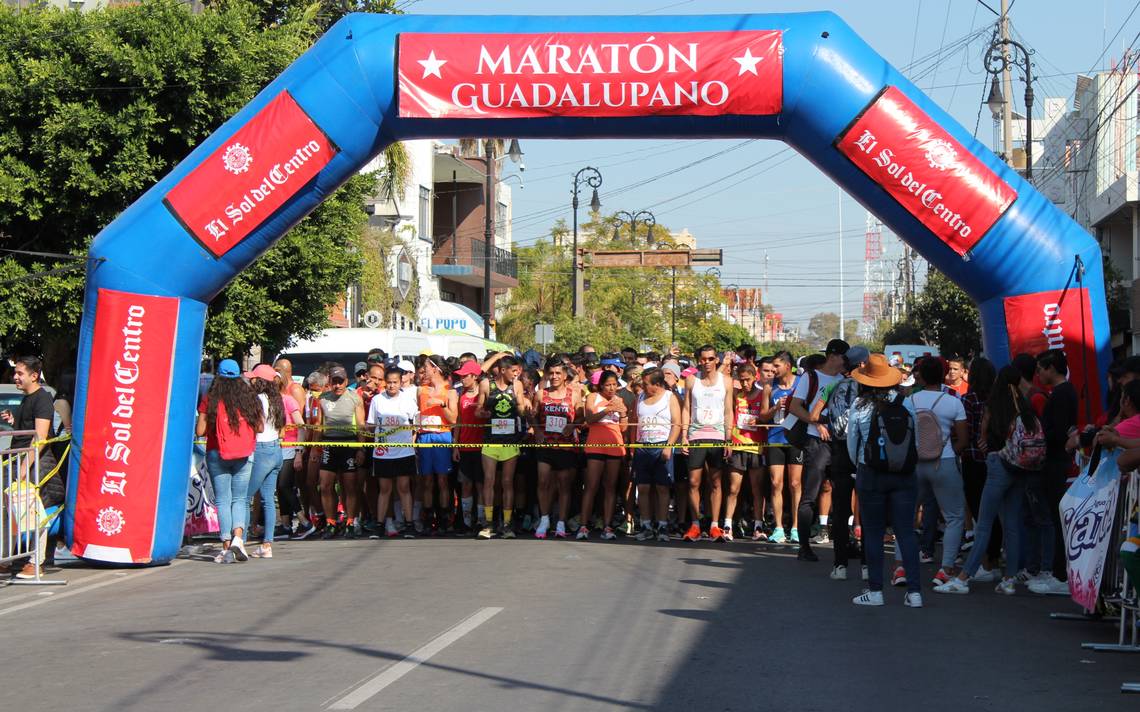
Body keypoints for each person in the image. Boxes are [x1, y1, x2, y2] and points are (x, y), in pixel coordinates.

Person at [935, 365, 1035, 596]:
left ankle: (964, 577)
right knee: (1011, 524)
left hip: (997, 465)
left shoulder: (993, 405)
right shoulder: (1025, 406)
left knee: (984, 524)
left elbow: (981, 436)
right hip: (1020, 467)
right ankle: (1009, 578)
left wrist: (985, 442)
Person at [846, 354, 922, 607]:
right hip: (904, 475)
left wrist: (860, 465)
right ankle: (914, 593)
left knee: (874, 533)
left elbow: (852, 444)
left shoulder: (859, 405)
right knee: (906, 533)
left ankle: (876, 592)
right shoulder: (906, 402)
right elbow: (916, 441)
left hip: (872, 474)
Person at [904, 356, 968, 587]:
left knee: (907, 515)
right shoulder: (953, 401)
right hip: (945, 462)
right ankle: (945, 569)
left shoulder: (910, 401)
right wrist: (947, 452)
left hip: (914, 465)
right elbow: (962, 439)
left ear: (920, 376)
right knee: (954, 516)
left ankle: (901, 567)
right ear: (943, 375)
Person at [785, 339, 848, 561]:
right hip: (815, 442)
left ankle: (844, 544)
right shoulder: (810, 377)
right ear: (833, 356)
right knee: (810, 494)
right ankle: (804, 547)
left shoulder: (843, 380)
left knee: (841, 495)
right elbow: (795, 406)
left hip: (838, 442)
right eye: (844, 357)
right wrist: (815, 423)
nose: (846, 362)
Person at [2, 356, 63, 579]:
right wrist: (13, 421)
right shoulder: (26, 399)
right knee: (9, 511)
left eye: (20, 373)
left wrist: (24, 468)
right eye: (15, 373)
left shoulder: (42, 399)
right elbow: (27, 429)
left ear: (34, 376)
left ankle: (35, 562)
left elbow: (40, 437)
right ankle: (6, 559)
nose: (15, 377)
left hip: (34, 463)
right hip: (17, 460)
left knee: (32, 511)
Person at [195, 359, 261, 564]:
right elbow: (259, 427)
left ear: (219, 375)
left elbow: (200, 431)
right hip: (244, 453)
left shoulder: (210, 399)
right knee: (240, 499)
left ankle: (226, 546)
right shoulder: (250, 398)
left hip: (217, 452)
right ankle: (238, 539)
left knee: (223, 500)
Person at [1025, 349, 1077, 595]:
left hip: (1056, 462)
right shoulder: (1061, 393)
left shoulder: (1062, 394)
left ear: (1052, 368)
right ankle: (1057, 572)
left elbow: (1058, 430)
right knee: (1053, 518)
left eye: (1041, 369)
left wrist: (1041, 439)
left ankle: (1059, 574)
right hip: (1055, 461)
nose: (1038, 374)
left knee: (1056, 519)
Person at [821, 346, 869, 580]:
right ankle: (867, 565)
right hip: (865, 455)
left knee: (840, 510)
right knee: (868, 508)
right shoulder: (872, 388)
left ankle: (840, 565)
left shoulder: (833, 386)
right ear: (861, 365)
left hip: (840, 452)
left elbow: (825, 418)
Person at [681, 345, 733, 542]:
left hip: (718, 436)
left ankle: (714, 525)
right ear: (698, 360)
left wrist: (729, 438)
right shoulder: (691, 380)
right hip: (696, 435)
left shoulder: (726, 381)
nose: (707, 362)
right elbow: (686, 408)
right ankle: (695, 524)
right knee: (693, 482)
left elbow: (729, 411)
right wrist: (684, 435)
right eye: (703, 359)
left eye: (711, 358)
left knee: (716, 482)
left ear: (716, 360)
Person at [475, 354, 531, 539]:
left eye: (518, 371)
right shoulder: (486, 385)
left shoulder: (517, 386)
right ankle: (488, 523)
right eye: (513, 371)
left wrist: (526, 408)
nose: (516, 375)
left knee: (507, 482)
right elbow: (478, 410)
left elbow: (522, 410)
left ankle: (507, 524)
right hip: (491, 440)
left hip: (510, 441)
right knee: (489, 480)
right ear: (503, 370)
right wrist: (484, 414)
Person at [368, 365, 420, 538]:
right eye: (389, 382)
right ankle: (380, 524)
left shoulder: (408, 400)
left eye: (395, 382)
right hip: (383, 451)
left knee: (404, 487)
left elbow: (416, 423)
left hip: (404, 451)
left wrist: (411, 440)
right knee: (385, 488)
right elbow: (370, 424)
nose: (391, 386)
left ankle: (409, 523)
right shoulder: (377, 400)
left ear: (400, 382)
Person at [533, 359, 581, 539]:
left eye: (558, 373)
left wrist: (573, 424)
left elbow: (582, 415)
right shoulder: (540, 394)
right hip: (546, 445)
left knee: (563, 485)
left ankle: (561, 521)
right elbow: (533, 415)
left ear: (565, 375)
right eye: (551, 373)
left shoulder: (574, 394)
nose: (554, 377)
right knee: (543, 481)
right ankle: (544, 519)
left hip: (565, 445)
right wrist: (537, 430)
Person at [316, 365, 366, 539]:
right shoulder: (323, 398)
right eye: (334, 382)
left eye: (340, 382)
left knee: (350, 486)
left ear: (346, 381)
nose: (337, 386)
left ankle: (351, 521)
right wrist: (315, 448)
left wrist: (360, 449)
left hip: (349, 444)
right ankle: (331, 522)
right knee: (325, 485)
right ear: (330, 382)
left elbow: (361, 426)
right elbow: (318, 426)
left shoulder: (355, 398)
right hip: (329, 444)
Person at [631, 368, 680, 542]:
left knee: (662, 488)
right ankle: (646, 526)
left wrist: (668, 446)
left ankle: (662, 526)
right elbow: (634, 423)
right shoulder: (640, 398)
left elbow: (676, 424)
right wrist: (633, 447)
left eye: (646, 384)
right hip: (643, 448)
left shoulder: (669, 397)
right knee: (643, 488)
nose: (643, 387)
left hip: (661, 446)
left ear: (657, 384)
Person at [246, 365, 288, 558]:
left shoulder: (257, 399)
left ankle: (239, 539)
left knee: (244, 498)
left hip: (261, 450)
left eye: (254, 378)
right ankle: (267, 545)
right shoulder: (277, 399)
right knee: (268, 499)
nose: (251, 381)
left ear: (260, 381)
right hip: (275, 450)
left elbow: (256, 427)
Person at [581, 370, 628, 540]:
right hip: (595, 445)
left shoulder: (619, 400)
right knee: (591, 486)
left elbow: (623, 428)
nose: (611, 388)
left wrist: (622, 413)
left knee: (610, 487)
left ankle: (608, 526)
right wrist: (608, 409)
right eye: (608, 384)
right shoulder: (593, 397)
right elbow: (590, 418)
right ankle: (584, 525)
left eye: (614, 384)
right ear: (601, 385)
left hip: (615, 446)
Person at [726, 362, 770, 543]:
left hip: (757, 447)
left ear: (755, 377)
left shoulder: (762, 395)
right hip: (738, 446)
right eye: (741, 380)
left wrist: (758, 420)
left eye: (748, 380)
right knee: (733, 488)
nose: (745, 384)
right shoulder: (737, 396)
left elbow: (766, 418)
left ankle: (758, 526)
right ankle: (727, 526)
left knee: (757, 490)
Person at [417, 355, 458, 535]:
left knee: (442, 479)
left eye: (426, 367)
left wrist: (441, 404)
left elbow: (454, 419)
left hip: (442, 436)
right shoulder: (421, 390)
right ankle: (428, 518)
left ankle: (444, 517)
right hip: (425, 436)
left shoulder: (450, 391)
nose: (423, 370)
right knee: (426, 480)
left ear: (435, 369)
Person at [766, 351, 802, 544]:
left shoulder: (801, 384)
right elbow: (762, 416)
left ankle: (796, 527)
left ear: (788, 366)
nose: (773, 370)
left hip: (795, 440)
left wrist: (793, 407)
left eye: (777, 366)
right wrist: (775, 408)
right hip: (775, 439)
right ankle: (778, 527)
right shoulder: (770, 387)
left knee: (795, 483)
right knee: (775, 483)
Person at [453, 359, 487, 534]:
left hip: (481, 449)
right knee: (466, 485)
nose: (462, 379)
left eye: (465, 376)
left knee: (481, 485)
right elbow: (459, 420)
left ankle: (481, 520)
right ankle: (467, 521)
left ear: (474, 377)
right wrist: (455, 445)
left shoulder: (483, 396)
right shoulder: (462, 396)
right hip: (465, 448)